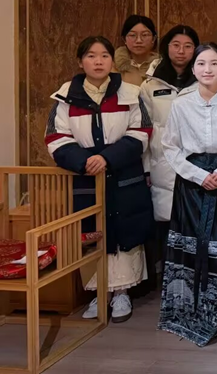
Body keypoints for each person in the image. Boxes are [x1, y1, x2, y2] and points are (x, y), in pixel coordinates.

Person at [45, 36, 153, 323]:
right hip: (87, 177)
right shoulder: (65, 96)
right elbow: (56, 138)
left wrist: (107, 157)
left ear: (112, 61)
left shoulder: (130, 92)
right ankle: (98, 293)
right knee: (92, 232)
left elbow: (142, 132)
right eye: (91, 56)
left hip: (123, 173)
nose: (98, 62)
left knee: (125, 230)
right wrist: (84, 162)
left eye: (104, 55)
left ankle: (122, 293)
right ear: (81, 61)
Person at [158, 44, 217, 346]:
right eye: (201, 63)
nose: (207, 69)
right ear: (193, 68)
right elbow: (170, 146)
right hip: (191, 185)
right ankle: (187, 310)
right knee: (190, 247)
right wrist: (198, 175)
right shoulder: (181, 104)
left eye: (214, 63)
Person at [140, 26, 200, 230]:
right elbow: (145, 129)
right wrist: (146, 168)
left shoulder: (206, 82)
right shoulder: (150, 85)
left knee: (195, 222)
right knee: (165, 224)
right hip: (161, 162)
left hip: (197, 163)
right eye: (176, 45)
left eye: (188, 46)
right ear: (167, 47)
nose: (181, 51)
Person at [114, 15, 159, 86]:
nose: (139, 40)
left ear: (153, 39)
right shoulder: (113, 66)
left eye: (144, 35)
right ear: (124, 39)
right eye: (132, 35)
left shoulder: (160, 66)